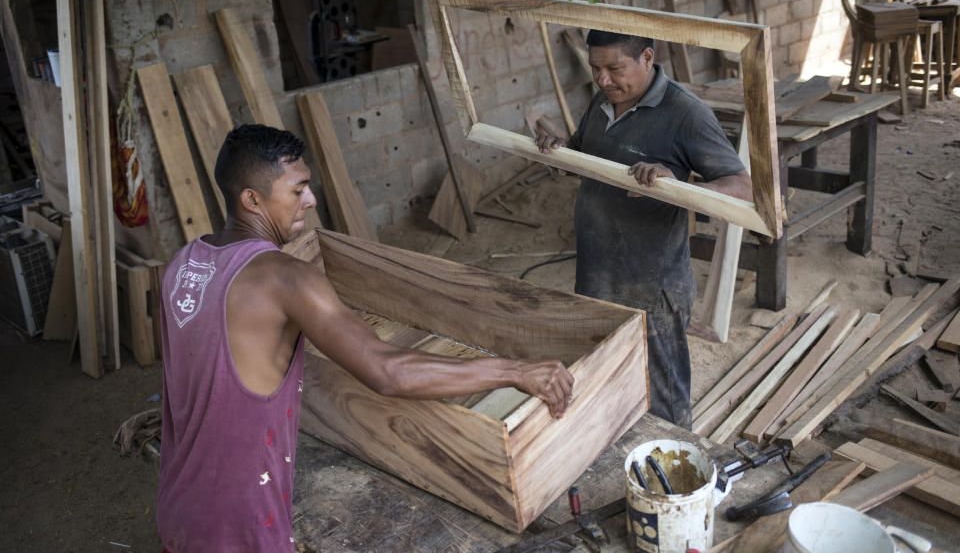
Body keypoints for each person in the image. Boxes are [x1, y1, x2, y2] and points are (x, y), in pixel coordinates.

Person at [156, 124, 574, 553]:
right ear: (252, 199)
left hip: (178, 506)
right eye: (297, 190)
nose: (311, 200)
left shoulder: (184, 263)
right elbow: (387, 372)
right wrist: (515, 370)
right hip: (239, 525)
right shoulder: (286, 279)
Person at [536, 31, 751, 430]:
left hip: (653, 285)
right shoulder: (605, 99)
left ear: (647, 58)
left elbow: (741, 187)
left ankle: (675, 476)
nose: (602, 80)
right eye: (595, 68)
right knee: (610, 382)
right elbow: (586, 155)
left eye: (614, 68)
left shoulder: (685, 113)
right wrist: (561, 151)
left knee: (664, 403)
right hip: (597, 273)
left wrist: (677, 186)